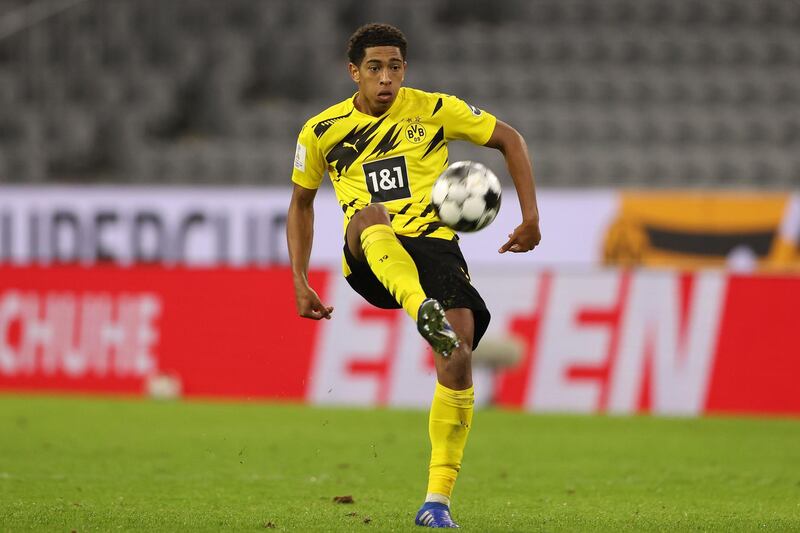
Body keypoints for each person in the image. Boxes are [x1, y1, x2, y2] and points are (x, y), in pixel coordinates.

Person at [287, 23, 541, 529]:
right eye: (376, 68)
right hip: (371, 252)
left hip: (435, 248)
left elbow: (510, 139)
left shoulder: (433, 109)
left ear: (406, 69)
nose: (387, 79)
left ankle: (436, 502)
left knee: (459, 354)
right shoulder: (321, 131)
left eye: (395, 67)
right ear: (353, 72)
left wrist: (531, 217)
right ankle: (418, 308)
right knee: (369, 213)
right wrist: (299, 278)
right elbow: (301, 204)